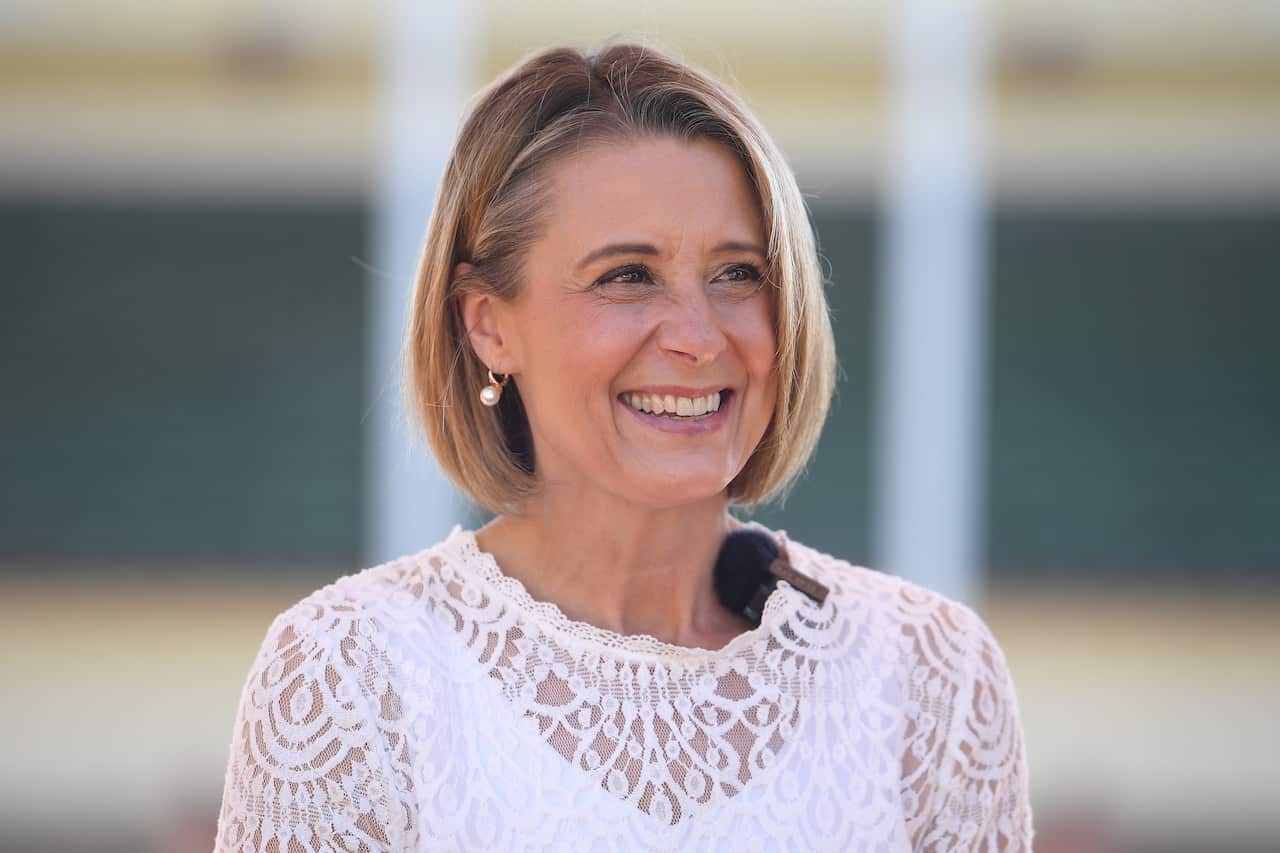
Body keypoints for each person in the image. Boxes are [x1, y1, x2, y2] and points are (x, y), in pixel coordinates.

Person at [213, 43, 1033, 852]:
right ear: (489, 325)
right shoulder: (350, 676)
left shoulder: (932, 677)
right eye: (627, 275)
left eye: (738, 273)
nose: (698, 338)